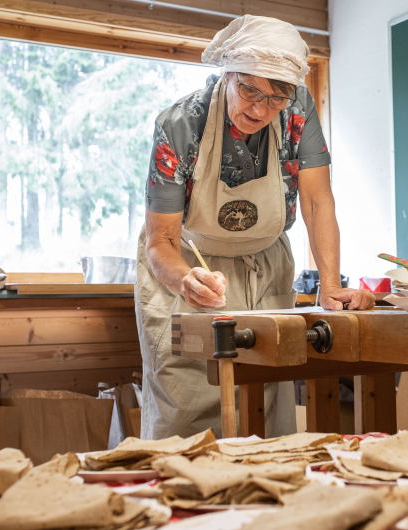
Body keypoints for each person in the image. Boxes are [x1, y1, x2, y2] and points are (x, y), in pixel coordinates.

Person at [135, 15, 375, 440]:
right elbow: (161, 240)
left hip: (264, 267)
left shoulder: (298, 108)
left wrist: (330, 286)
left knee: (264, 411)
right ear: (228, 73)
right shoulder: (180, 125)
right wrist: (185, 281)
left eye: (276, 98)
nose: (260, 110)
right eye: (249, 91)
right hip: (188, 266)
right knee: (186, 411)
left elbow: (317, 201)